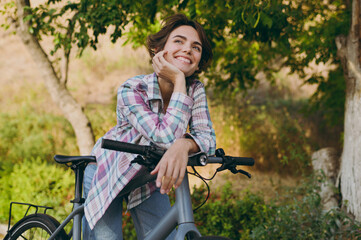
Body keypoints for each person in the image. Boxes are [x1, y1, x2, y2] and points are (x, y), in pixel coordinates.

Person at [83, 13, 216, 240]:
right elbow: (163, 138)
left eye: (196, 47)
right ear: (158, 51)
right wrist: (179, 81)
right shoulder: (132, 89)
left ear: (199, 61)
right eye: (178, 41)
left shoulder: (196, 89)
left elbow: (208, 138)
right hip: (108, 172)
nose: (187, 49)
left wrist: (184, 145)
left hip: (148, 177)